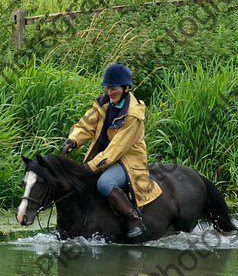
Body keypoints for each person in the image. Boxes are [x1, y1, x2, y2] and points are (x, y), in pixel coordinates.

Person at [61, 63, 162, 238]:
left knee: (104, 183)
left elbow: (117, 149)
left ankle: (134, 220)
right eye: (108, 88)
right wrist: (73, 140)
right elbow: (86, 125)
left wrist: (90, 167)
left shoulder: (132, 114)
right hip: (104, 158)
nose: (109, 93)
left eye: (114, 89)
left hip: (127, 161)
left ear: (126, 88)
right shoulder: (103, 104)